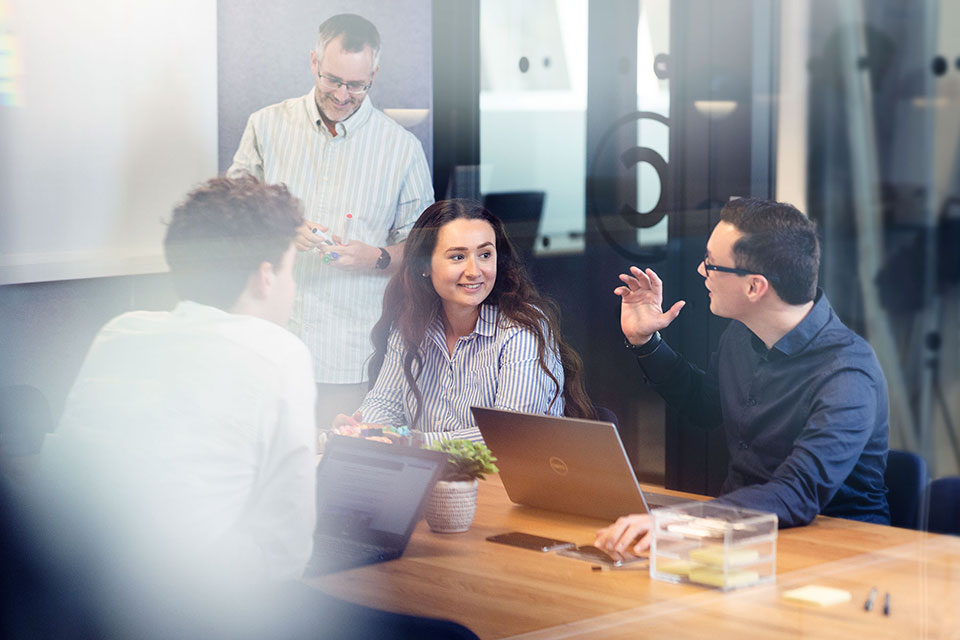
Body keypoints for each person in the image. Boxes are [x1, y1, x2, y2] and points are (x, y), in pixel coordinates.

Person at [38, 175, 317, 632]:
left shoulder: (120, 330)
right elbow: (285, 555)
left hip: (57, 599)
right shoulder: (278, 351)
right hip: (177, 616)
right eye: (290, 270)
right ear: (266, 277)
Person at [596, 197, 889, 557]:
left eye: (713, 264)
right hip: (739, 537)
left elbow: (797, 492)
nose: (701, 271)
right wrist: (646, 341)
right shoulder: (742, 334)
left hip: (836, 553)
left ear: (755, 287)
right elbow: (704, 405)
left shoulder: (848, 373)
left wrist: (681, 521)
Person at [227, 13, 433, 432]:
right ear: (313, 63)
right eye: (332, 80)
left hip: (349, 356)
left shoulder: (402, 149)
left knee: (337, 479)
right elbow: (228, 213)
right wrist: (277, 225)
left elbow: (423, 248)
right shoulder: (265, 126)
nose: (342, 95)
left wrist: (375, 258)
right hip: (265, 342)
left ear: (373, 74)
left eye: (356, 85)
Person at [334, 200, 595, 443]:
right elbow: (385, 404)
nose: (474, 271)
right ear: (424, 266)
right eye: (457, 257)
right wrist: (361, 428)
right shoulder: (411, 323)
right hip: (435, 479)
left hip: (506, 486)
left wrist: (418, 441)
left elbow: (510, 435)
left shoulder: (521, 330)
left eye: (485, 255)